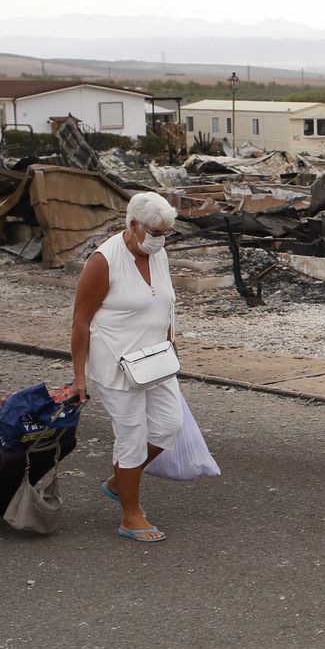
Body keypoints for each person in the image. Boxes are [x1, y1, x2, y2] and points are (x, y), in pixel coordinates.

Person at [71, 192, 183, 543]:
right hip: (116, 363)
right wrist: (78, 377)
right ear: (132, 224)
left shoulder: (158, 253)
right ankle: (131, 514)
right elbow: (80, 320)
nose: (159, 238)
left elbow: (165, 305)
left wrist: (172, 346)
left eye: (165, 232)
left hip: (156, 361)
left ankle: (120, 480)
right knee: (131, 436)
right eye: (153, 230)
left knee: (169, 425)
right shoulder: (104, 260)